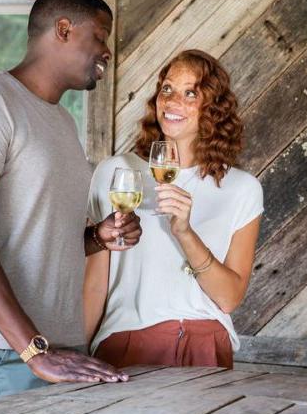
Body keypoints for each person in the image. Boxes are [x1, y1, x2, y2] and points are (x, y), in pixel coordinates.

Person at [0, 0, 141, 405]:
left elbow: (39, 235)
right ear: (64, 29)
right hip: (7, 351)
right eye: (100, 36)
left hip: (62, 349)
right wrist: (33, 351)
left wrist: (95, 238)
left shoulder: (62, 122)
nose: (107, 51)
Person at [85, 49, 262, 368]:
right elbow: (96, 282)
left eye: (190, 93)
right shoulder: (118, 173)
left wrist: (184, 232)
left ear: (213, 109)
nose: (171, 101)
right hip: (129, 339)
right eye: (167, 88)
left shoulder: (242, 188)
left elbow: (229, 298)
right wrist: (75, 357)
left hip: (207, 343)